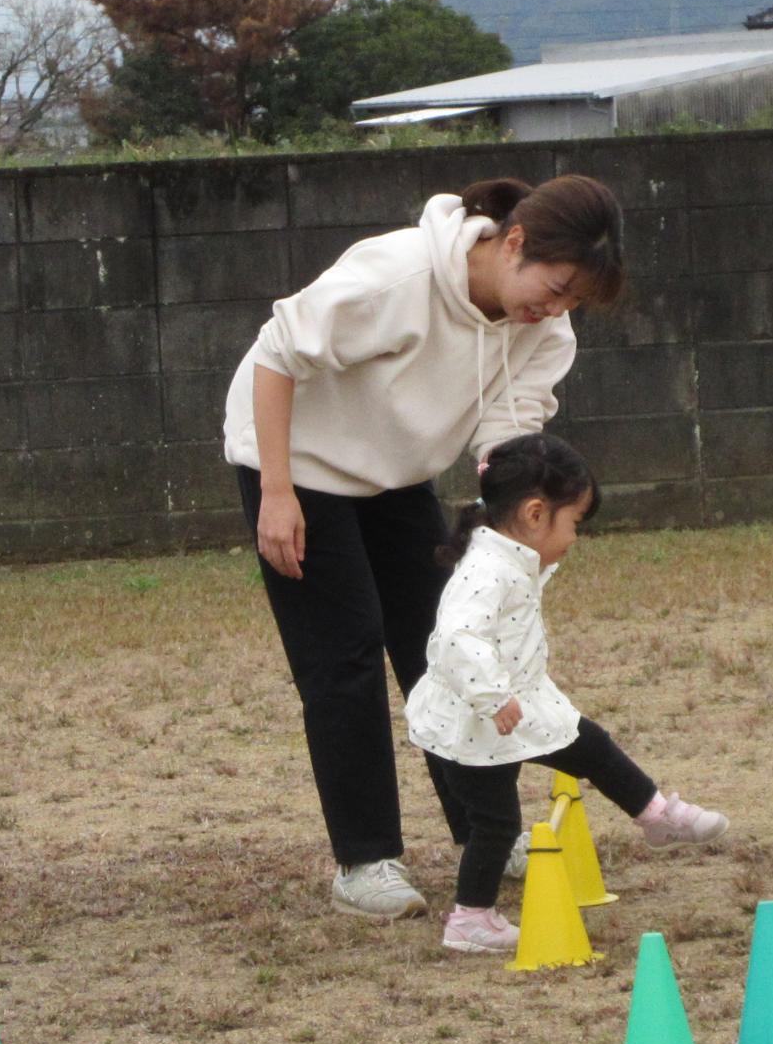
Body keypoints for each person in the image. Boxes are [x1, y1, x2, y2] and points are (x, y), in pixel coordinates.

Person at [227, 174, 627, 920]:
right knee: (343, 656)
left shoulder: (544, 329)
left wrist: (516, 535)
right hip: (296, 461)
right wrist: (275, 493)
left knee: (452, 645)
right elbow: (278, 352)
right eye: (556, 284)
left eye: (574, 300)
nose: (556, 308)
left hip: (397, 473)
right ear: (514, 242)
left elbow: (508, 441)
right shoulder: (397, 275)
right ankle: (366, 859)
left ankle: (487, 830)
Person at [406, 433, 726, 956]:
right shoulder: (489, 570)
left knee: (590, 746)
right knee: (496, 822)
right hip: (476, 717)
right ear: (536, 514)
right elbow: (456, 638)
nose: (575, 537)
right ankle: (470, 920)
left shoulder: (507, 555)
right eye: (574, 523)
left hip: (518, 703)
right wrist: (491, 696)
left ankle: (657, 815)